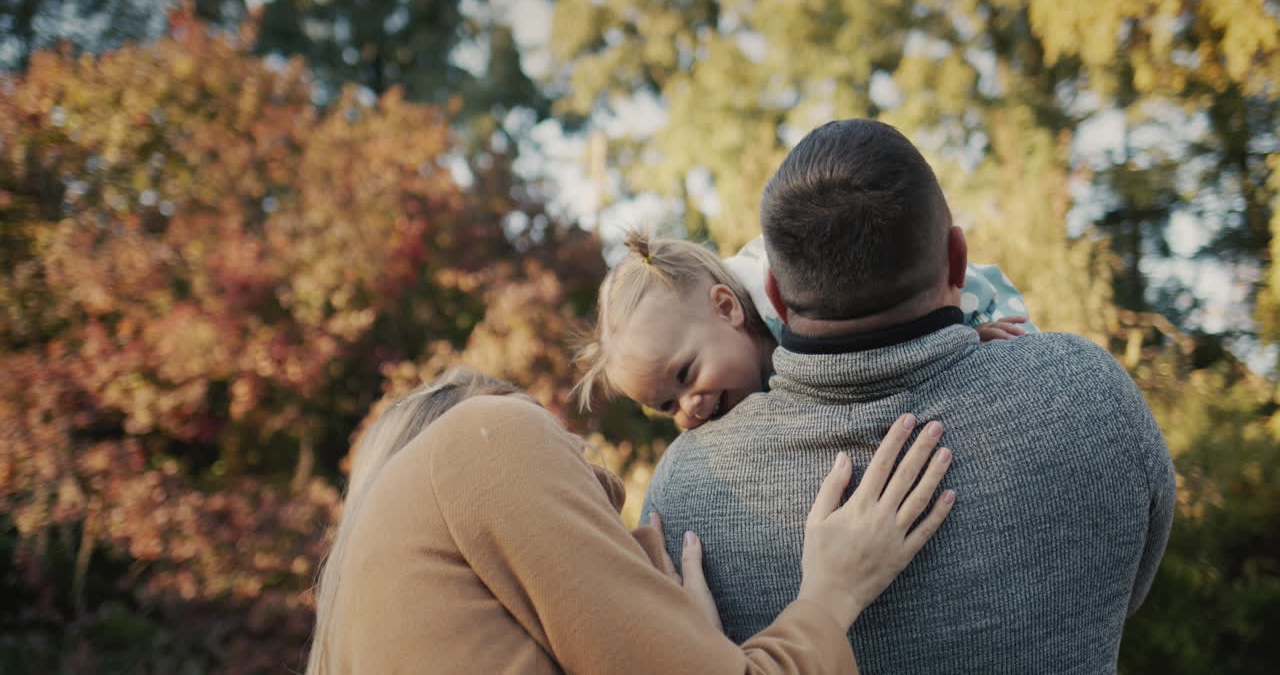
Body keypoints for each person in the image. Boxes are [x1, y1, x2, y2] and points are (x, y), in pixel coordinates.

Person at [637, 119, 1176, 672]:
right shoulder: (1088, 392)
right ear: (959, 262)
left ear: (772, 290)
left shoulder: (683, 491)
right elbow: (1124, 595)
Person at [304, 366, 958, 675]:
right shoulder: (484, 433)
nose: (584, 455)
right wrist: (834, 591)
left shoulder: (363, 614)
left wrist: (684, 644)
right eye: (551, 428)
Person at [573, 231, 1031, 431]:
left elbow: (890, 316)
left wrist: (960, 331)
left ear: (727, 308)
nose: (689, 407)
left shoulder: (797, 297)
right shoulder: (734, 367)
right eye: (666, 406)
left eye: (687, 373)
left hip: (967, 298)